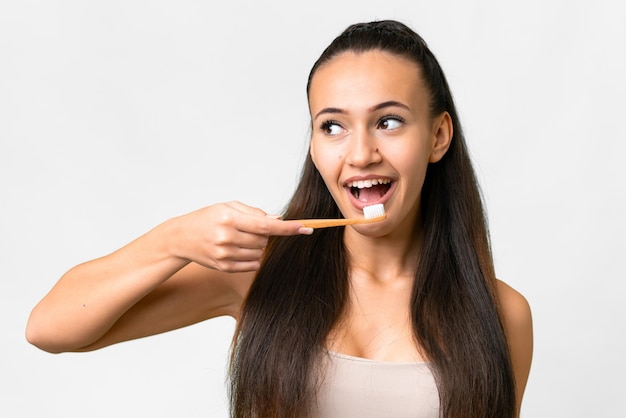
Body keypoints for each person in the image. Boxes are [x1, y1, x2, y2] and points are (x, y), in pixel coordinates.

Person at [26, 20, 533, 418]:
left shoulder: (501, 314)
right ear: (314, 146)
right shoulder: (261, 274)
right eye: (332, 126)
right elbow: (50, 329)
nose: (360, 153)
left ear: (439, 137)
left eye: (389, 121)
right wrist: (175, 239)